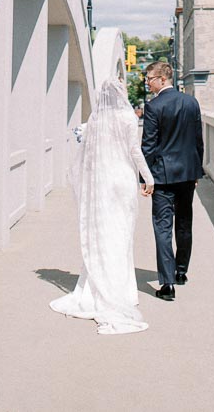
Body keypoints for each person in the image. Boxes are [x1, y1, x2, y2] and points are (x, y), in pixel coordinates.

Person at [49, 78, 155, 335]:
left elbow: (87, 155)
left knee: (103, 234)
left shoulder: (95, 120)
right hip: (123, 181)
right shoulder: (128, 118)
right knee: (122, 235)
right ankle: (123, 291)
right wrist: (148, 177)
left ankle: (95, 288)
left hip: (102, 182)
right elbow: (134, 151)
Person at [140, 60, 204, 301]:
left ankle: (167, 284)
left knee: (163, 227)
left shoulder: (154, 107)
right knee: (185, 222)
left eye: (150, 78)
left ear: (163, 79)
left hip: (163, 177)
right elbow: (198, 140)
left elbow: (149, 146)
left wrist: (145, 179)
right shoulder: (191, 102)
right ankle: (181, 271)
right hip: (187, 173)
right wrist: (197, 171)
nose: (147, 83)